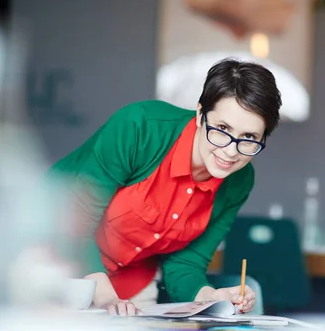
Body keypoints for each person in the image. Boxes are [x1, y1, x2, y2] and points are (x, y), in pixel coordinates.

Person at [49, 58, 282, 316]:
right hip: (55, 258)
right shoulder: (139, 127)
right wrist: (104, 298)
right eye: (223, 128)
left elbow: (185, 263)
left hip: (132, 284)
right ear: (199, 114)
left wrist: (213, 296)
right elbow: (76, 219)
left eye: (249, 138)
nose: (230, 150)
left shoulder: (240, 181)